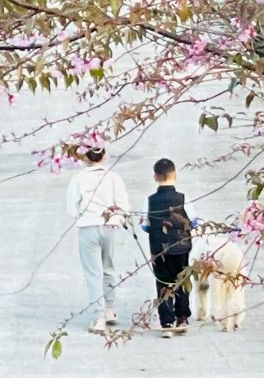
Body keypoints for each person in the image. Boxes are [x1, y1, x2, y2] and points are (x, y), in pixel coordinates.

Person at [67, 144, 135, 328]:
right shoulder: (113, 177)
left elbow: (71, 208)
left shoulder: (78, 179)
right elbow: (123, 205)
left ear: (84, 158)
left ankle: (98, 316)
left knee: (93, 273)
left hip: (88, 226)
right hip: (109, 226)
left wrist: (84, 215)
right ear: (104, 156)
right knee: (108, 268)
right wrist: (118, 220)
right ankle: (109, 309)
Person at [146, 158, 193, 336]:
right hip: (181, 247)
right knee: (182, 280)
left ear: (155, 177)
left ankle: (166, 322)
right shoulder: (184, 198)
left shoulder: (150, 200)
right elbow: (193, 220)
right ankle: (182, 317)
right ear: (175, 175)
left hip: (159, 250)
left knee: (163, 282)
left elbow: (145, 224)